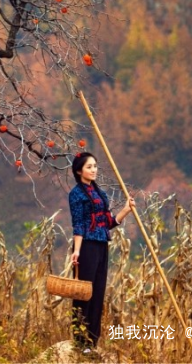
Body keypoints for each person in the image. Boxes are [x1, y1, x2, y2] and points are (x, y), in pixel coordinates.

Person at [69, 151, 135, 353]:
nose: (94, 170)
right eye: (89, 167)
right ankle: (80, 340)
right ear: (79, 170)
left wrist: (125, 211)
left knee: (98, 292)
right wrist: (77, 251)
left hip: (101, 246)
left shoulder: (101, 194)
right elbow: (78, 225)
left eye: (95, 166)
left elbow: (107, 223)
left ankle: (92, 341)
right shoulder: (76, 194)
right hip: (86, 247)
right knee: (83, 293)